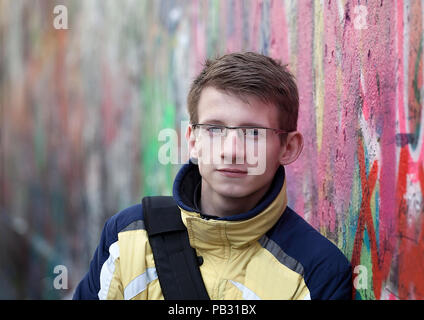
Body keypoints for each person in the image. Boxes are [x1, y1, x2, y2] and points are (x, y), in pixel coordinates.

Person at [73, 52, 352, 300]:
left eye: (253, 133)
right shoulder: (128, 236)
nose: (231, 151)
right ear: (193, 141)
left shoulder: (316, 272)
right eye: (215, 129)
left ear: (288, 147)